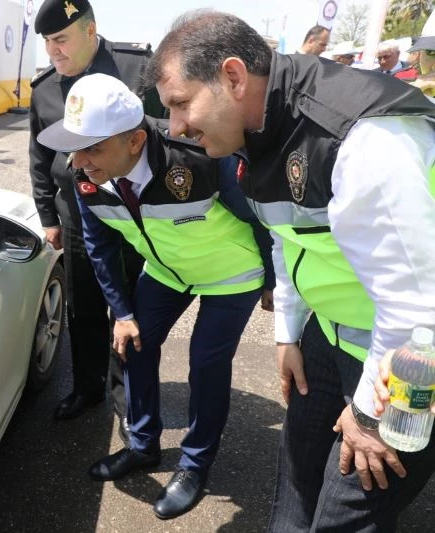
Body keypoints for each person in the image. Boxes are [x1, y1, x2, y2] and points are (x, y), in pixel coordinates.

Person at [146, 9, 435, 531]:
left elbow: (419, 306)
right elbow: (289, 237)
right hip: (331, 334)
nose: (176, 127)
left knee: (344, 517)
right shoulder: (260, 128)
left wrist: (371, 413)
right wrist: (288, 333)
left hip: (414, 359)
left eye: (181, 104)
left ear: (234, 77)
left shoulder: (358, 138)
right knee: (293, 499)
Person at [37, 72, 274, 519]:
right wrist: (123, 311)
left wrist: (273, 281)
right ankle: (143, 445)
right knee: (133, 344)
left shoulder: (201, 158)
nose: (81, 159)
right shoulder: (86, 176)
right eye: (75, 145)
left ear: (134, 142)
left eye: (93, 146)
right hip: (167, 271)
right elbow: (100, 245)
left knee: (205, 362)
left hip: (230, 273)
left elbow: (261, 217)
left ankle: (194, 464)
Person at [29, 0, 164, 441]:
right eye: (48, 42)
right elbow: (39, 158)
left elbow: (164, 135)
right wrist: (48, 215)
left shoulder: (137, 68)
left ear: (90, 31)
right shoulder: (45, 88)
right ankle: (87, 388)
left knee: (129, 313)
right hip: (78, 216)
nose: (53, 51)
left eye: (61, 39)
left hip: (135, 218)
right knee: (83, 309)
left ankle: (128, 402)